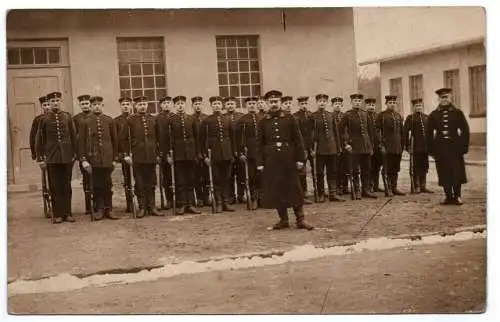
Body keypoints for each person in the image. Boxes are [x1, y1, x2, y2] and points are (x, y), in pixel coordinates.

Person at [256, 90, 313, 230]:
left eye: (276, 101)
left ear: (280, 102)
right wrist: (260, 163)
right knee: (277, 190)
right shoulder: (263, 121)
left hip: (288, 159)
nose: (274, 104)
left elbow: (298, 140)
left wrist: (300, 159)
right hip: (272, 160)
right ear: (267, 103)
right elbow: (259, 144)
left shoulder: (290, 118)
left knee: (294, 188)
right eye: (271, 102)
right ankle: (283, 220)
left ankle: (301, 219)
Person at [35, 91, 77, 224]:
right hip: (52, 157)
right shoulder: (44, 120)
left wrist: (74, 153)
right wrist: (41, 158)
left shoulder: (67, 117)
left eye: (57, 101)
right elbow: (39, 140)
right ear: (50, 103)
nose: (55, 103)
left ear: (61, 102)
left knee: (66, 186)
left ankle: (68, 213)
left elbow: (73, 136)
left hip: (66, 157)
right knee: (54, 186)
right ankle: (58, 214)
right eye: (52, 101)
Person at [426, 88, 470, 205]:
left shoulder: (457, 113)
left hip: (455, 148)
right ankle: (448, 196)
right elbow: (428, 133)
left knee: (456, 172)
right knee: (443, 172)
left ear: (450, 98)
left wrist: (464, 146)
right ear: (438, 99)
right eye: (442, 98)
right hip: (440, 149)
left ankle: (457, 196)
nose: (444, 99)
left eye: (446, 97)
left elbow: (465, 130)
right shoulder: (434, 115)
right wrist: (430, 150)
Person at [120, 96, 162, 218]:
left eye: (144, 104)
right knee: (139, 182)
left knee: (152, 182)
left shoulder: (153, 120)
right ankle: (142, 207)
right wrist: (126, 155)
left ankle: (152, 206)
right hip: (137, 157)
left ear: (147, 105)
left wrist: (158, 154)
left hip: (151, 156)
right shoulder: (130, 120)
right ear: (135, 106)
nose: (142, 106)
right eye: (139, 104)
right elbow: (123, 139)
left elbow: (159, 138)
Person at [78, 96, 119, 220]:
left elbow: (115, 140)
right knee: (97, 185)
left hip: (107, 158)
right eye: (94, 104)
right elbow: (81, 142)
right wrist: (84, 159)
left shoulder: (109, 120)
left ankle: (109, 209)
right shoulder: (85, 122)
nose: (96, 106)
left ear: (102, 106)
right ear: (91, 106)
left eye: (99, 104)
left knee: (108, 185)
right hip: (93, 159)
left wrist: (115, 158)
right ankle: (100, 209)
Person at [166, 95, 201, 215]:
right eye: (178, 104)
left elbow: (197, 137)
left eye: (182, 103)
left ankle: (191, 204)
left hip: (191, 153)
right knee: (180, 180)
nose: (180, 106)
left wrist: (197, 153)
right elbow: (168, 139)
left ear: (185, 105)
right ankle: (181, 204)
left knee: (191, 179)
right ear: (174, 106)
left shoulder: (191, 119)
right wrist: (169, 154)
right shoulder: (171, 120)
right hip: (178, 154)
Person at [200, 96, 236, 213]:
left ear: (222, 105)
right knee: (215, 178)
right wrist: (205, 156)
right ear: (211, 106)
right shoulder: (206, 121)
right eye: (214, 104)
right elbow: (202, 140)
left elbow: (232, 137)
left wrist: (233, 153)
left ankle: (226, 201)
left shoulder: (227, 119)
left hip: (227, 152)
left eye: (218, 103)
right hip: (214, 153)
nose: (216, 106)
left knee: (226, 178)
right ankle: (219, 202)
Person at [340, 93, 377, 199]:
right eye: (355, 101)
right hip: (354, 146)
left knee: (367, 168)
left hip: (365, 145)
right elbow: (342, 131)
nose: (357, 103)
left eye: (359, 101)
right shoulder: (347, 115)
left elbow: (370, 132)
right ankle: (356, 190)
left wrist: (371, 146)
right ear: (351, 102)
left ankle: (366, 190)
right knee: (355, 169)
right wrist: (346, 144)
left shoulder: (365, 114)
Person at [311, 94, 344, 202]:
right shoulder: (313, 116)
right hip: (320, 149)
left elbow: (336, 133)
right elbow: (311, 134)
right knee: (320, 172)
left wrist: (338, 147)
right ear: (317, 102)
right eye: (320, 101)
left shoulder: (331, 115)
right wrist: (312, 148)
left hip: (332, 148)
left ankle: (332, 194)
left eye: (324, 101)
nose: (322, 103)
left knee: (332, 171)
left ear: (327, 103)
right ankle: (321, 194)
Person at [375, 95, 406, 196]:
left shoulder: (398, 116)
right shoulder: (381, 116)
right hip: (386, 147)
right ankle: (387, 189)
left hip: (397, 147)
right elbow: (377, 131)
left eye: (394, 103)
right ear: (386, 104)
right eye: (390, 103)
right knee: (387, 168)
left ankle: (394, 187)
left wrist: (402, 145)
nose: (392, 104)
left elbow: (402, 132)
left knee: (395, 168)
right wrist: (380, 145)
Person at [237, 96, 263, 210]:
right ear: (246, 106)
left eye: (253, 103)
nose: (252, 105)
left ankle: (262, 198)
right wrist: (241, 152)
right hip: (250, 152)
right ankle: (254, 199)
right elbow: (239, 138)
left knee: (261, 175)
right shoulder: (242, 120)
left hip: (262, 151)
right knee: (251, 176)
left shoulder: (262, 118)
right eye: (249, 104)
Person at [404, 98, 433, 194]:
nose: (419, 107)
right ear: (414, 107)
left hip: (425, 147)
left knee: (424, 166)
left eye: (420, 105)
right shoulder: (410, 118)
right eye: (417, 106)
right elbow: (405, 132)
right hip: (415, 146)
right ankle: (416, 186)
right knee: (415, 166)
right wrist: (407, 146)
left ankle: (423, 186)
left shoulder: (426, 117)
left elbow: (430, 133)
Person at [73, 94, 94, 215]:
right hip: (83, 152)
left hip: (95, 152)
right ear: (80, 105)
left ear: (90, 104)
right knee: (86, 180)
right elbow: (75, 138)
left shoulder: (95, 117)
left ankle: (97, 204)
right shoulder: (76, 119)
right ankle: (88, 206)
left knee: (96, 179)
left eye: (87, 103)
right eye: (83, 104)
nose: (85, 106)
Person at [114, 97, 135, 213]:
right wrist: (123, 155)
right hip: (125, 156)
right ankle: (129, 203)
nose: (126, 106)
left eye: (128, 104)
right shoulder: (116, 121)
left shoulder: (135, 119)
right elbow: (117, 140)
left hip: (138, 154)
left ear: (131, 105)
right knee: (127, 180)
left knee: (139, 179)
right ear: (120, 106)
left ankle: (141, 203)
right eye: (123, 104)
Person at [293, 96, 314, 204]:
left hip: (312, 147)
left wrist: (313, 146)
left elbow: (314, 131)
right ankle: (303, 192)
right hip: (302, 147)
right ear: (298, 105)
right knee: (302, 171)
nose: (304, 106)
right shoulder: (295, 116)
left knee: (315, 169)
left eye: (305, 103)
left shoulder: (311, 115)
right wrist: (302, 149)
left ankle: (318, 192)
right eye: (302, 104)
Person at [224, 96, 245, 204]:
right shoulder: (223, 117)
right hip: (228, 150)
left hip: (240, 148)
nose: (230, 106)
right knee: (229, 175)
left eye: (232, 103)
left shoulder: (241, 117)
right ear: (225, 106)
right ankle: (231, 196)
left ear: (236, 105)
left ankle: (241, 195)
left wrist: (241, 150)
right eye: (228, 104)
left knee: (241, 174)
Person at [156, 96, 174, 210]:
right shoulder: (157, 119)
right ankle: (169, 200)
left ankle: (180, 199)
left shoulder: (175, 117)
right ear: (161, 105)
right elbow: (155, 138)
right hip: (163, 152)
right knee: (166, 178)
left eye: (168, 103)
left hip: (175, 153)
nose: (166, 105)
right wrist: (158, 153)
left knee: (177, 177)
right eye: (164, 103)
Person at [191, 96, 210, 207]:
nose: (198, 106)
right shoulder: (190, 119)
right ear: (192, 106)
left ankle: (206, 196)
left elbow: (208, 137)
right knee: (197, 176)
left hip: (206, 151)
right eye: (195, 104)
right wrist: (196, 153)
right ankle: (199, 197)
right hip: (195, 151)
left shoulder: (206, 118)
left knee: (207, 175)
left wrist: (206, 152)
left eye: (199, 103)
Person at [365, 98, 383, 193]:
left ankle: (376, 185)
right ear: (366, 106)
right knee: (368, 166)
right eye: (369, 105)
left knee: (377, 166)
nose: (371, 107)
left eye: (372, 105)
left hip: (377, 145)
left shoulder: (378, 116)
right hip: (367, 145)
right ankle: (369, 186)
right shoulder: (364, 116)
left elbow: (380, 130)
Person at [332, 97, 349, 195]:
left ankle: (345, 186)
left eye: (339, 103)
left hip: (345, 144)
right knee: (336, 166)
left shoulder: (345, 116)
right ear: (332, 105)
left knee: (346, 165)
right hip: (335, 144)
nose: (338, 105)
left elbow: (347, 130)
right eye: (335, 104)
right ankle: (337, 187)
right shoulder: (330, 116)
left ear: (342, 105)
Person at [30, 96, 52, 162]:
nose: (47, 107)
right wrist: (34, 153)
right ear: (41, 106)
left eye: (48, 105)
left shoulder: (58, 117)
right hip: (43, 150)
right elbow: (33, 137)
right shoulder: (38, 120)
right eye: (45, 105)